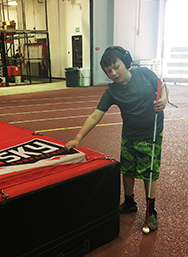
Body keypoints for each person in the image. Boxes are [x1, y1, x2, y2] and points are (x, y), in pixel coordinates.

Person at [65, 46, 169, 231]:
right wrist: (78, 138)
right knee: (127, 170)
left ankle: (150, 211)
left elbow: (162, 86)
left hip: (151, 133)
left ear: (126, 63)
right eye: (108, 71)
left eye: (116, 67)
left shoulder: (144, 74)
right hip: (129, 134)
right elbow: (95, 115)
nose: (113, 73)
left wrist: (163, 100)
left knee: (149, 173)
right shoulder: (112, 91)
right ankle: (129, 202)